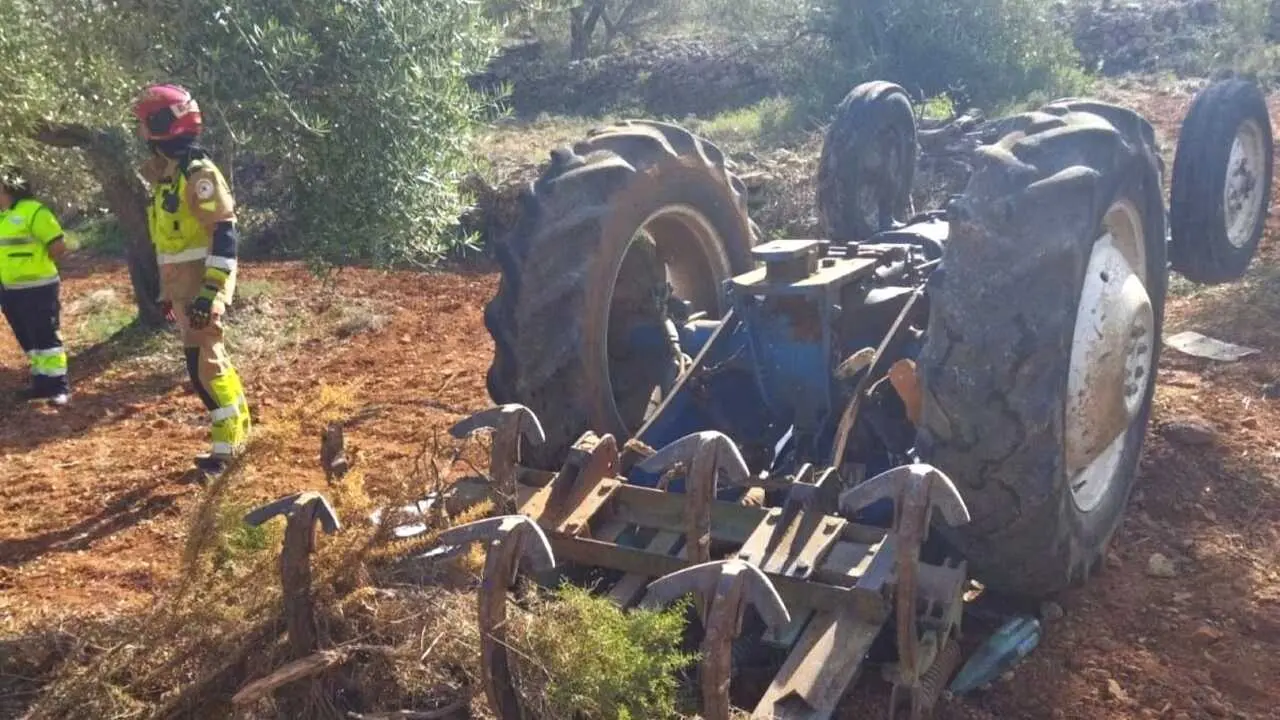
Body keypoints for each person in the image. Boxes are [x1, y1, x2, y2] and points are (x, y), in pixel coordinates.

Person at [132, 84, 250, 476]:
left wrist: (209, 292)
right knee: (208, 361)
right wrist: (170, 294)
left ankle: (229, 452)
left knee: (204, 366)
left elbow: (224, 233)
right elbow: (172, 244)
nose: (141, 132)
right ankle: (236, 440)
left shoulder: (198, 174)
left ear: (160, 124)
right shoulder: (169, 175)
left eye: (145, 123)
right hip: (184, 287)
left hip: (201, 286)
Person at [0, 166, 71, 406]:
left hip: (38, 288)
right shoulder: (3, 215)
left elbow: (58, 247)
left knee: (45, 336)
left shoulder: (35, 211)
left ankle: (59, 387)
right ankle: (41, 383)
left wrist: (32, 266)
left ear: (9, 186)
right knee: (27, 337)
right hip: (10, 290)